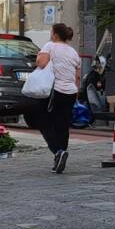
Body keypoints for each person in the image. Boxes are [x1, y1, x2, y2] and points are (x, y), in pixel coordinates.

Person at [36, 23, 80, 173]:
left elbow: (41, 63)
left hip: (55, 91)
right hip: (71, 92)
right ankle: (61, 155)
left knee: (44, 122)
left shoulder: (50, 46)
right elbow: (77, 76)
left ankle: (58, 151)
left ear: (55, 34)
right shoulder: (73, 52)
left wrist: (39, 57)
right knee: (63, 124)